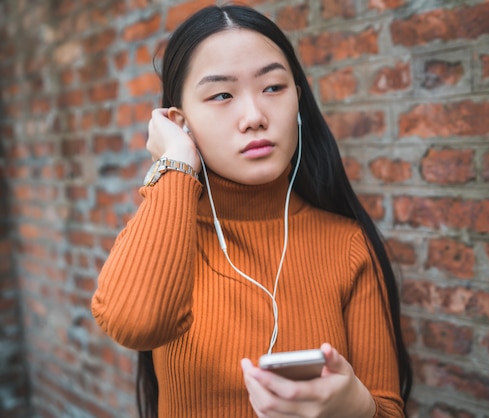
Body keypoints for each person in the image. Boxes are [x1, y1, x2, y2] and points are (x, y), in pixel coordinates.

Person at [91, 4, 412, 417]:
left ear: (298, 97)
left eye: (274, 87)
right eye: (222, 94)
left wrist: (355, 407)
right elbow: (135, 323)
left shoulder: (348, 245)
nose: (255, 117)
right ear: (179, 121)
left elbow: (389, 409)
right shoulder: (164, 237)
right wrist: (177, 162)